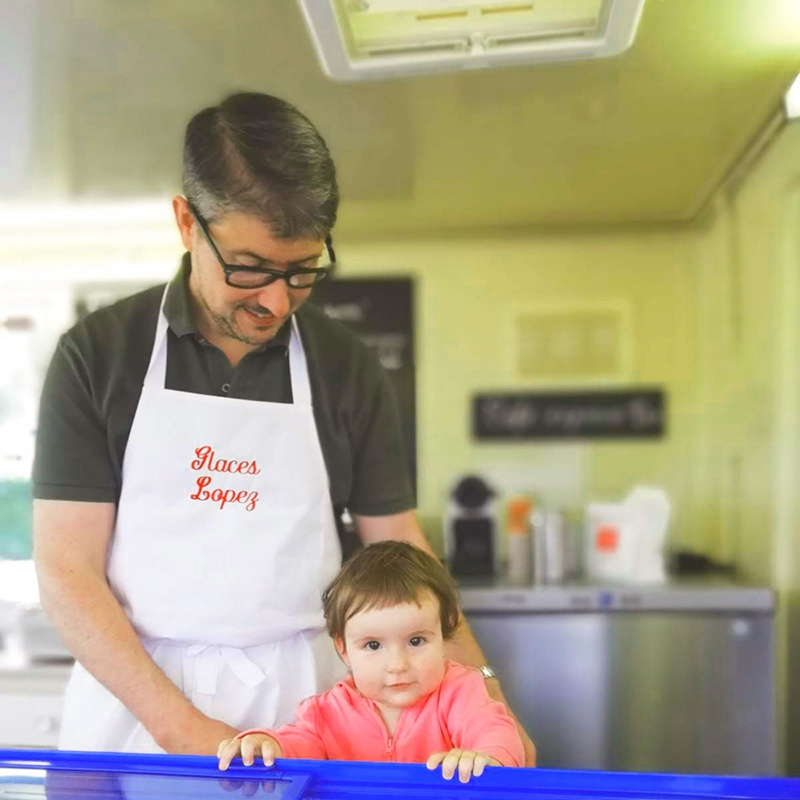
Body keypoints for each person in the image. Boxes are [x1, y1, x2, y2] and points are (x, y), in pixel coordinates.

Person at [32, 91, 534, 762]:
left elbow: (403, 551)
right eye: (249, 269)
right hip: (140, 709)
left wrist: (490, 699)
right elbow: (67, 569)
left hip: (311, 709)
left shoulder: (343, 365)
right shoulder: (99, 355)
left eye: (302, 273)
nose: (274, 301)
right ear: (187, 222)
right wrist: (181, 728)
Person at [217, 542, 525, 782]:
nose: (397, 664)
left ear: (442, 636)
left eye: (416, 641)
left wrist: (486, 758)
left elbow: (495, 732)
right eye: (373, 645)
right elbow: (294, 745)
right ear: (344, 649)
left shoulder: (460, 691)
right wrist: (263, 744)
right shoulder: (327, 713)